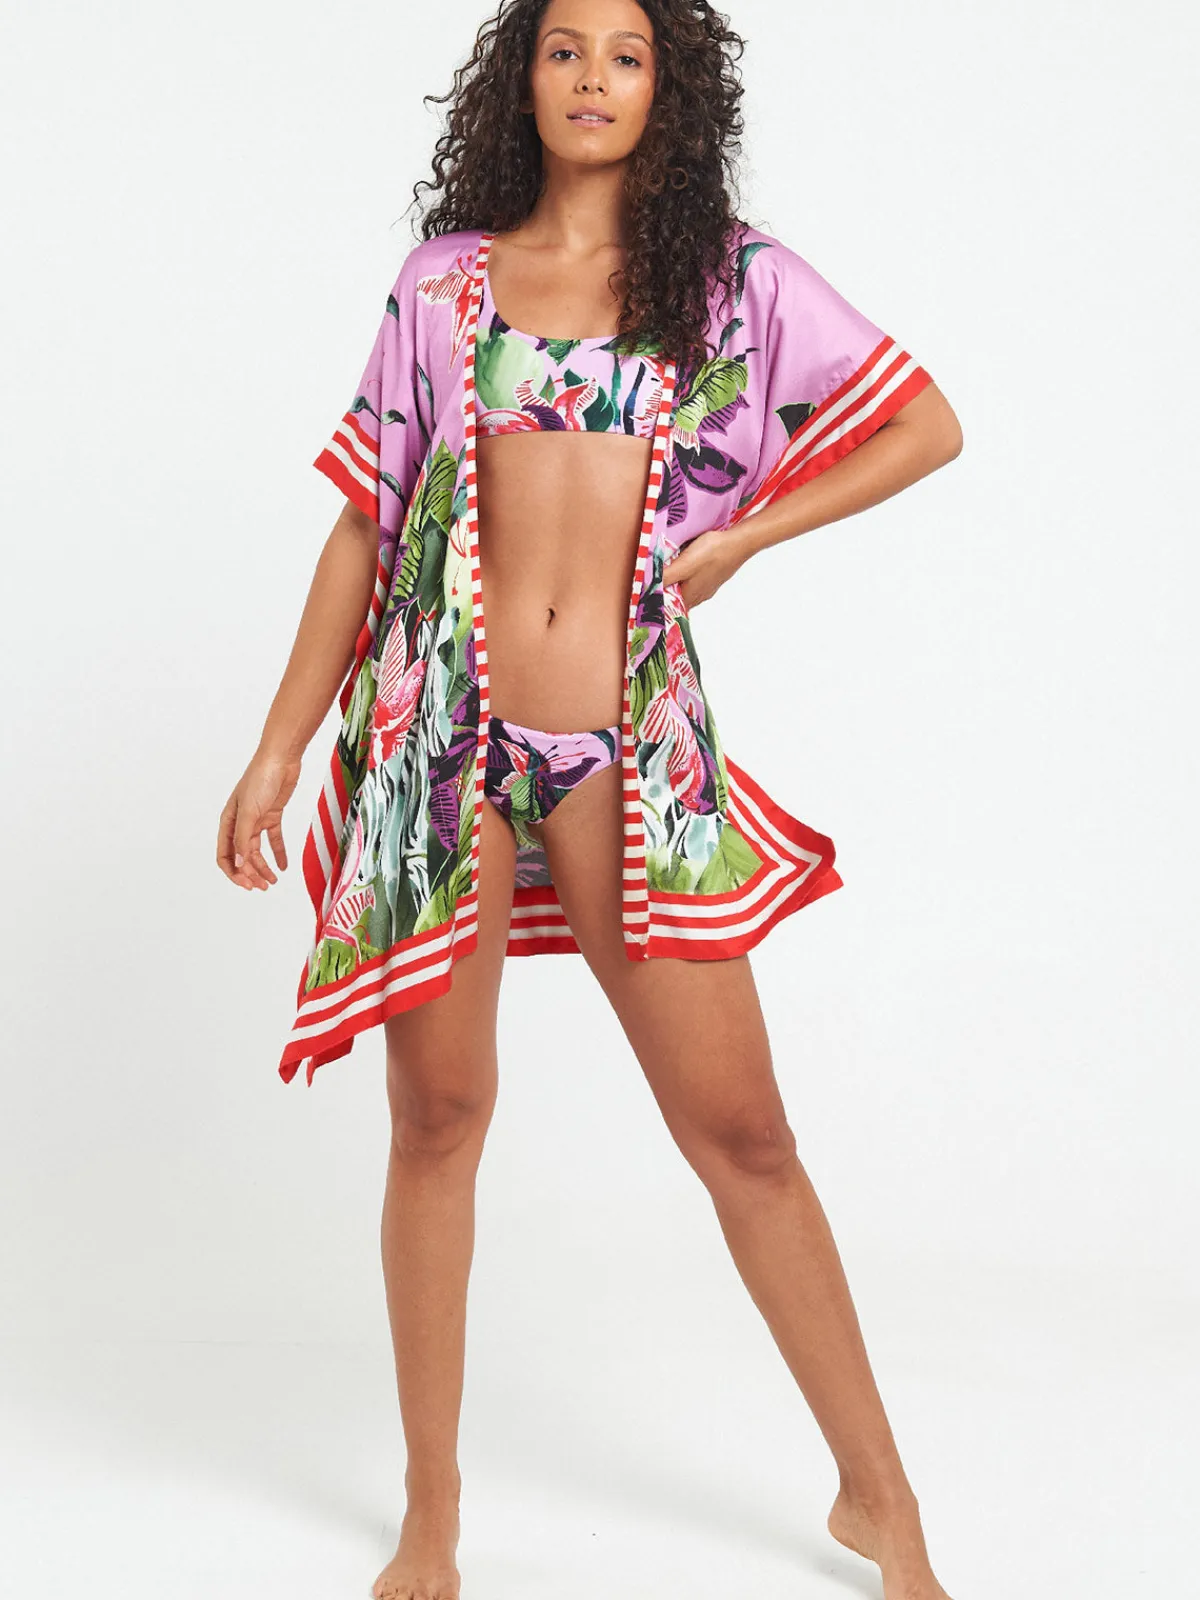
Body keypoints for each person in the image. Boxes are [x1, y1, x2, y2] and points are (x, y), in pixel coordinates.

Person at [217, 2, 964, 1596]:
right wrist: (280, 746)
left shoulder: (729, 283)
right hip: (445, 744)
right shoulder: (445, 285)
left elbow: (925, 425)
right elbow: (366, 522)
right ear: (523, 79)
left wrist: (748, 537)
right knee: (439, 1120)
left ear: (667, 89)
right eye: (564, 51)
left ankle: (881, 1497)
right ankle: (432, 1513)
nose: (593, 80)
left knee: (744, 1135)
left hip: (624, 747)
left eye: (626, 56)